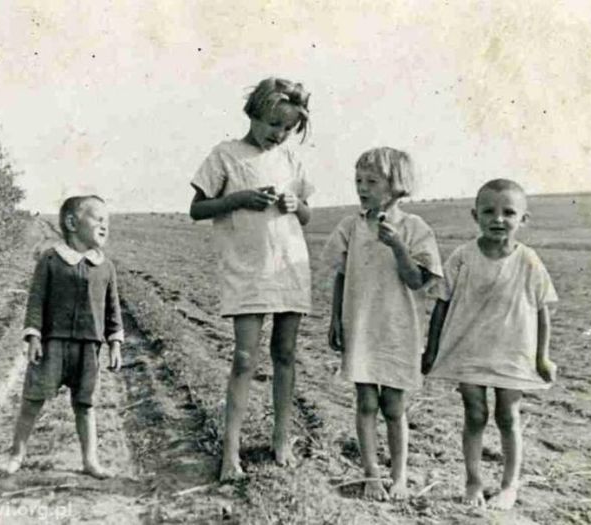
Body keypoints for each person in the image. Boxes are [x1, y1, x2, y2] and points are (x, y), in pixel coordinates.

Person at [189, 77, 314, 482]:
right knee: (244, 359)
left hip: (289, 265)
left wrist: (297, 204)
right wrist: (239, 199)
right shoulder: (225, 155)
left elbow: (307, 214)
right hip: (247, 269)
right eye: (272, 124)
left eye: (287, 128)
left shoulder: (291, 160)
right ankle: (231, 452)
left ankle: (281, 440)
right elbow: (197, 208)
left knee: (285, 355)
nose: (278, 134)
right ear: (254, 113)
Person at [422, 178, 558, 509]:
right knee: (475, 413)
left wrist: (542, 358)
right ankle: (473, 482)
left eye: (508, 212)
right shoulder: (462, 256)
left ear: (523, 219)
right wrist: (431, 349)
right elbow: (441, 304)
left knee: (508, 415)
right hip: (469, 349)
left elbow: (542, 312)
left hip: (513, 351)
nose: (498, 219)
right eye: (489, 211)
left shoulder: (528, 260)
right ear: (475, 215)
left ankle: (509, 485)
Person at [322, 147, 443, 500]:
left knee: (394, 406)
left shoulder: (415, 228)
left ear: (397, 185)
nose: (362, 187)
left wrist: (398, 247)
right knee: (365, 403)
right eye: (358, 180)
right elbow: (341, 275)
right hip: (360, 325)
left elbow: (417, 281)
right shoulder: (351, 226)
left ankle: (400, 476)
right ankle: (371, 474)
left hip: (397, 330)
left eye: (372, 181)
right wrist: (335, 319)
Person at [4, 195, 124, 478]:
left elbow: (113, 309)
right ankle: (16, 454)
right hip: (52, 345)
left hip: (88, 348)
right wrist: (33, 336)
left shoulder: (105, 267)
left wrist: (115, 343)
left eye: (107, 221)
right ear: (72, 223)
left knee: (86, 404)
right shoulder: (51, 260)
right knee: (33, 399)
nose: (105, 226)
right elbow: (36, 300)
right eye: (98, 219)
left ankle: (90, 460)